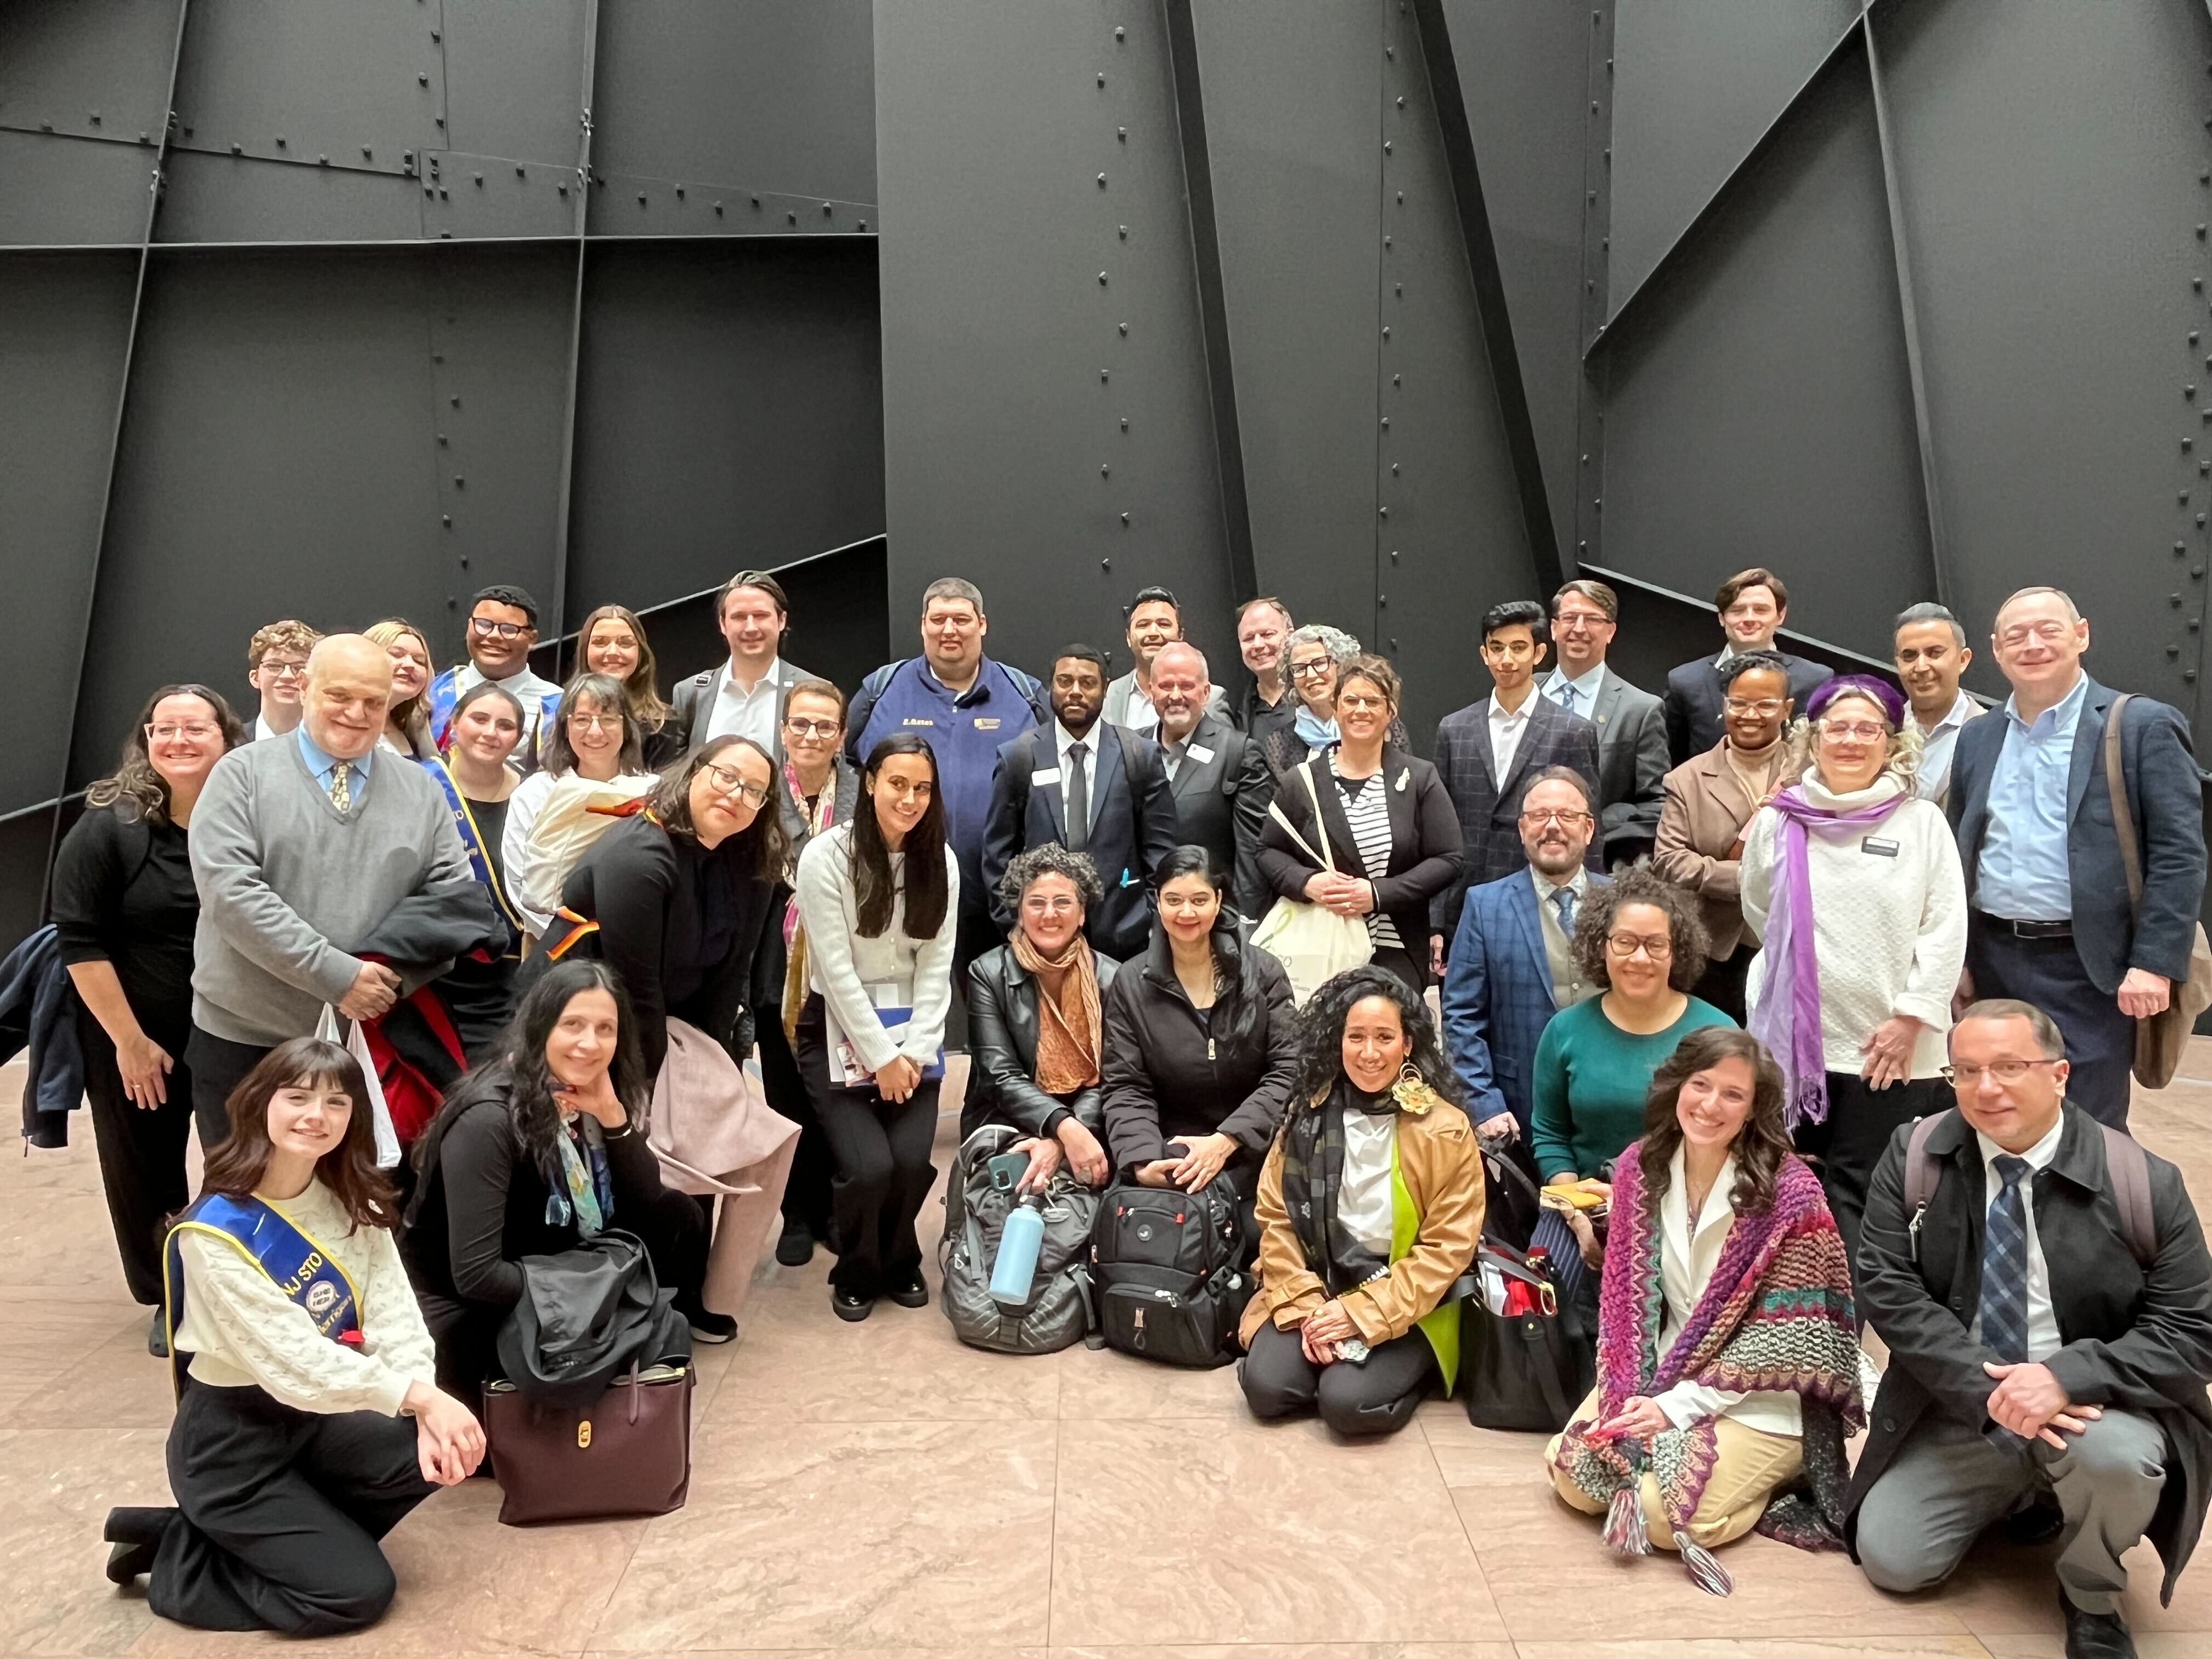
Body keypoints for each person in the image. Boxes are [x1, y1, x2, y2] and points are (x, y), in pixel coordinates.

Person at [1849, 1000, 2212, 1659]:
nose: (1987, 1089)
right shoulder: (1916, 1156)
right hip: (1968, 1403)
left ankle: (2091, 1591)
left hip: (2091, 1409)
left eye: (2010, 1067)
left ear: (2061, 1074)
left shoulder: (2141, 1180)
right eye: (1966, 1072)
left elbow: (2193, 1329)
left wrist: (2065, 1377)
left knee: (2116, 1463)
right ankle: (2027, 1493)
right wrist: (1985, 1390)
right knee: (1894, 1560)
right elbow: (1889, 1290)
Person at [102, 1038, 483, 1635]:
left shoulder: (348, 1197)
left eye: (337, 1102)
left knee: (431, 1454)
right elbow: (298, 1365)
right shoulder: (215, 1234)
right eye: (298, 1097)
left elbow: (394, 1314)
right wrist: (424, 1398)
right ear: (261, 1104)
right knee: (355, 1594)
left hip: (316, 1421)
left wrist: (426, 1402)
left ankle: (255, 1536)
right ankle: (182, 1559)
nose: (317, 1116)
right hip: (233, 1444)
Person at [1546, 1027, 1862, 1575]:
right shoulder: (1638, 1168)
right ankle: (1684, 1456)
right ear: (1677, 1087)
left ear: (1753, 1110)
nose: (1711, 1105)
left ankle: (1783, 1476)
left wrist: (1675, 1409)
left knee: (1661, 1518)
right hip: (1666, 1369)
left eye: (1733, 1095)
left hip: (1768, 1392)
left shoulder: (1792, 1193)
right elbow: (1626, 1309)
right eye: (1701, 1085)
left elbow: (1789, 1341)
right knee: (1574, 1478)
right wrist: (1633, 1393)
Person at [186, 635, 481, 1140]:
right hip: (249, 1039)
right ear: (303, 688)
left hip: (372, 1044)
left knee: (362, 1205)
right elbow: (232, 895)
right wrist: (337, 976)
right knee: (247, 1204)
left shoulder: (422, 790)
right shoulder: (240, 776)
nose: (356, 713)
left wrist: (385, 982)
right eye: (340, 696)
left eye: (373, 700)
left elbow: (453, 902)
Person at [1948, 586, 2207, 1131]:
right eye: (2015, 636)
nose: (2032, 644)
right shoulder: (1978, 737)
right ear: (1996, 649)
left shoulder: (2139, 726)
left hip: (2093, 967)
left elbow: (2179, 854)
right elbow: (1960, 854)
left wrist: (2155, 962)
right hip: (1995, 959)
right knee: (1997, 1112)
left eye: (2049, 630)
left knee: (2088, 1124)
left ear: (2082, 635)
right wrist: (1960, 960)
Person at [404, 962, 720, 1395]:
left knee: (683, 1220)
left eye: (605, 1029)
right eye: (573, 1025)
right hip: (467, 1316)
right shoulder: (489, 1120)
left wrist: (614, 1120)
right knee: (648, 1322)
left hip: (548, 1275)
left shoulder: (588, 1096)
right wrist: (593, 1290)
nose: (590, 1044)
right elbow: (477, 1277)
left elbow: (656, 1211)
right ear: (541, 1028)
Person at [1741, 674, 1967, 1271]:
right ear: (1812, 741)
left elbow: (1945, 928)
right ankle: (1788, 1332)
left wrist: (1913, 1018)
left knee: (1863, 1200)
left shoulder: (1922, 824)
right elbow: (1761, 913)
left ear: (1892, 744)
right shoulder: (1778, 823)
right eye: (1836, 727)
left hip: (1886, 1050)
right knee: (1786, 1190)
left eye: (1867, 729)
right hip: (1792, 1050)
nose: (1850, 740)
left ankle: (1846, 1340)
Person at [53, 684, 247, 1355]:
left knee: (244, 1161)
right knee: (145, 1171)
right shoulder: (110, 822)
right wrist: (130, 1044)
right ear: (146, 740)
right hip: (137, 1036)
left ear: (227, 738)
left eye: (196, 729)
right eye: (163, 729)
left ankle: (240, 1288)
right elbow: (79, 941)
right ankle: (173, 1298)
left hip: (236, 1029)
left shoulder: (250, 814)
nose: (178, 741)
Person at [1239, 967, 1483, 1437]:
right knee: (1267, 1389)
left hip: (1407, 1294)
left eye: (1384, 1037)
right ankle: (1333, 1362)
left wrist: (1358, 1313)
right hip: (1320, 1279)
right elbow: (1277, 1219)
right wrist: (1309, 1307)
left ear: (1407, 1044)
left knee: (1346, 1405)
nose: (1369, 1053)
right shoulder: (1306, 1114)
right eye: (1356, 1037)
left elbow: (1448, 1250)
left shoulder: (1445, 1127)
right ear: (1338, 1041)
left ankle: (1409, 1373)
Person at [793, 733, 961, 1321]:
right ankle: (858, 1268)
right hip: (836, 1028)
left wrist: (912, 1053)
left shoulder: (939, 859)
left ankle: (899, 1256)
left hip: (914, 1032)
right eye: (897, 783)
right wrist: (879, 1057)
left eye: (922, 787)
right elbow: (835, 972)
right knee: (870, 1166)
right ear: (868, 783)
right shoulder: (825, 858)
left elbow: (938, 966)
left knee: (913, 1159)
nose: (910, 798)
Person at [544, 736, 785, 1084]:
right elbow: (636, 989)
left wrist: (715, 1073)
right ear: (694, 773)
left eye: (753, 790)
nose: (735, 794)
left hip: (672, 1020)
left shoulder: (753, 866)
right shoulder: (640, 855)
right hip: (585, 1018)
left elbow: (729, 979)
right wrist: (664, 1085)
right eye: (726, 776)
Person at [1100, 845, 1300, 1255]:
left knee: (1256, 1237)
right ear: (1157, 903)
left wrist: (1227, 1140)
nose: (1186, 913)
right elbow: (1125, 1085)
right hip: (1172, 1148)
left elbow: (1288, 1071)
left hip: (1254, 1148)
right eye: (1173, 900)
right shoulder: (1131, 981)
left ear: (1219, 901)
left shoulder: (1262, 973)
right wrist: (1142, 1161)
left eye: (1198, 900)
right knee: (1152, 1239)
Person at [847, 578, 1047, 970]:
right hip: (900, 891)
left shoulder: (1025, 694)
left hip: (999, 900)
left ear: (982, 624)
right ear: (923, 625)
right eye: (938, 619)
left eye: (961, 619)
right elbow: (848, 768)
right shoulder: (881, 690)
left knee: (994, 1017)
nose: (949, 630)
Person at [1259, 654, 1462, 991]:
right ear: (1336, 707)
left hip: (1396, 948)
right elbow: (1268, 850)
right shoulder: (1302, 781)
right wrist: (1308, 883)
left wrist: (1378, 894)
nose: (1361, 710)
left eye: (1373, 701)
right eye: (1351, 700)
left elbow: (1449, 858)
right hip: (1320, 948)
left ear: (1391, 712)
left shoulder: (1419, 778)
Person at [1528, 867, 1731, 1191]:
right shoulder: (1564, 1030)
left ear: (1676, 953)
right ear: (1601, 947)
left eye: (1656, 945)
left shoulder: (1717, 1032)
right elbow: (1551, 1135)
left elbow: (1730, 1141)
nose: (1640, 958)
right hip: (1584, 1205)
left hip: (1686, 1206)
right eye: (1625, 942)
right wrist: (1574, 1209)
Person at [1440, 768, 1609, 1141]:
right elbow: (1461, 1017)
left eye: (1567, 816)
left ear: (1589, 829)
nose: (1553, 826)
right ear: (1521, 829)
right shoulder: (1485, 905)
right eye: (1539, 816)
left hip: (1612, 1104)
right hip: (1519, 1111)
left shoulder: (1623, 901)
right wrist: (1484, 1102)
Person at [981, 644, 1180, 962]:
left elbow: (1162, 853)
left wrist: (1151, 920)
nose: (1075, 692)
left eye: (1087, 683)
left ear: (1105, 688)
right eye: (1064, 681)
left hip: (1125, 940)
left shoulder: (1139, 755)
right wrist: (1018, 925)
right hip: (1040, 942)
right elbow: (997, 857)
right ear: (1050, 688)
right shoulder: (1019, 757)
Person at [1431, 601, 1601, 968]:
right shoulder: (1454, 729)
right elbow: (1436, 831)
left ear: (1540, 652)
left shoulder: (1572, 731)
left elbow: (1589, 828)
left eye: (1519, 647)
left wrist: (1595, 914)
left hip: (1542, 893)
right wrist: (1435, 918)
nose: (1506, 659)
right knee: (1464, 1011)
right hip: (1463, 899)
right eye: (1497, 647)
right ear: (1484, 654)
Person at [768, 678, 861, 1268]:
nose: (812, 735)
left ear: (842, 735)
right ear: (783, 731)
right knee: (783, 1088)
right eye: (801, 723)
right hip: (772, 957)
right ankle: (795, 1212)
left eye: (825, 725)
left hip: (844, 953)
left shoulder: (862, 788)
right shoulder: (758, 786)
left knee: (837, 1086)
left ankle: (834, 1205)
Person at [1652, 651, 1797, 1024]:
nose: (1750, 715)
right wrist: (1750, 878)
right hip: (1718, 952)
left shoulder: (1810, 772)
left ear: (1787, 709)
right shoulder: (1686, 780)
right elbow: (1670, 861)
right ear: (1724, 706)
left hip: (1798, 943)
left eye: (1766, 705)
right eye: (1739, 704)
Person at [966, 844, 1121, 1187]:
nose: (1049, 913)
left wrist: (1068, 1134)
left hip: (1095, 1116)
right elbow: (999, 1076)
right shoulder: (987, 973)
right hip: (1009, 1116)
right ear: (1020, 913)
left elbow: (1116, 1074)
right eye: (1036, 903)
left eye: (1063, 902)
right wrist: (1064, 1129)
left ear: (1082, 913)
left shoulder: (1113, 978)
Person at [502, 673, 658, 941]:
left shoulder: (654, 793)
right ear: (565, 727)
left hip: (633, 944)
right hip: (551, 944)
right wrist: (576, 941)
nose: (595, 732)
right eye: (583, 720)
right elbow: (519, 885)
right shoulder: (534, 793)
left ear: (627, 727)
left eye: (608, 719)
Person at [1544, 579, 1667, 868]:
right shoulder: (1522, 697)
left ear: (1611, 631)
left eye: (1593, 620)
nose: (1579, 629)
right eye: (1570, 618)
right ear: (1553, 627)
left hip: (1596, 864)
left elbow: (1657, 804)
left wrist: (1599, 821)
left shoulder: (1640, 709)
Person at [1662, 567, 1832, 765]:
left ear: (1780, 615)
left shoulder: (1815, 680)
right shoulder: (1685, 682)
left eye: (1760, 610)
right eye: (1738, 610)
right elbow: (1672, 760)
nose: (1749, 619)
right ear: (1721, 618)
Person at [1150, 640, 1270, 919]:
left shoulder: (1238, 752)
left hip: (1216, 917)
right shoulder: (1132, 748)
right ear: (1151, 691)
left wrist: (1245, 921)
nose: (1176, 695)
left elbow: (1252, 851)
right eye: (1166, 686)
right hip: (1147, 918)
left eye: (1187, 686)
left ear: (1205, 692)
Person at [665, 571, 819, 761]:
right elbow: (673, 774)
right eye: (739, 617)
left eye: (761, 615)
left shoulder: (814, 692)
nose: (751, 628)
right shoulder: (690, 694)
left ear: (782, 620)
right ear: (723, 624)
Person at [425, 681, 526, 953]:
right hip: (445, 954)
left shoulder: (533, 794)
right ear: (454, 724)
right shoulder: (422, 783)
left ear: (517, 739)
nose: (491, 732)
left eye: (505, 726)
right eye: (479, 719)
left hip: (522, 954)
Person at [1259, 623, 1411, 781]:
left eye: (1319, 663)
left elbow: (1405, 786)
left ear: (1341, 666)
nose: (1310, 675)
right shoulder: (1278, 744)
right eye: (1300, 668)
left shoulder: (1382, 726)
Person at [423, 585, 562, 758]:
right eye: (483, 624)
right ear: (469, 627)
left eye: (509, 629)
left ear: (532, 638)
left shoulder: (558, 705)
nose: (494, 636)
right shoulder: (433, 691)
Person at [1102, 585, 1229, 734]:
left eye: (1163, 624)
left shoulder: (1211, 698)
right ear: (1129, 637)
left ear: (1180, 635)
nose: (1153, 633)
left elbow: (1225, 753)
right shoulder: (1110, 695)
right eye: (1143, 625)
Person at [1893, 601, 1985, 806]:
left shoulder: (1993, 734)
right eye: (1909, 656)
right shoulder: (1881, 730)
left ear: (1963, 660)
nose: (1921, 666)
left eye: (1935, 653)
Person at [578, 603, 681, 768]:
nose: (612, 652)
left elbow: (667, 790)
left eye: (625, 643)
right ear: (584, 651)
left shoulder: (663, 723)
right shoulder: (556, 714)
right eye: (600, 642)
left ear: (641, 654)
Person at [363, 619, 437, 760]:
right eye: (396, 654)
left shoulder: (416, 731)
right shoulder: (346, 726)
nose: (410, 665)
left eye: (419, 661)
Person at [1231, 595, 1297, 751]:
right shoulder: (1238, 717)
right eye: (1248, 638)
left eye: (1267, 635)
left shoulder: (1316, 698)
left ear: (1290, 635)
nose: (1258, 645)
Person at [244, 620, 319, 742]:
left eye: (300, 667)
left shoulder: (332, 744)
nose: (287, 676)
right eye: (275, 666)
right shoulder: (229, 744)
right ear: (255, 677)